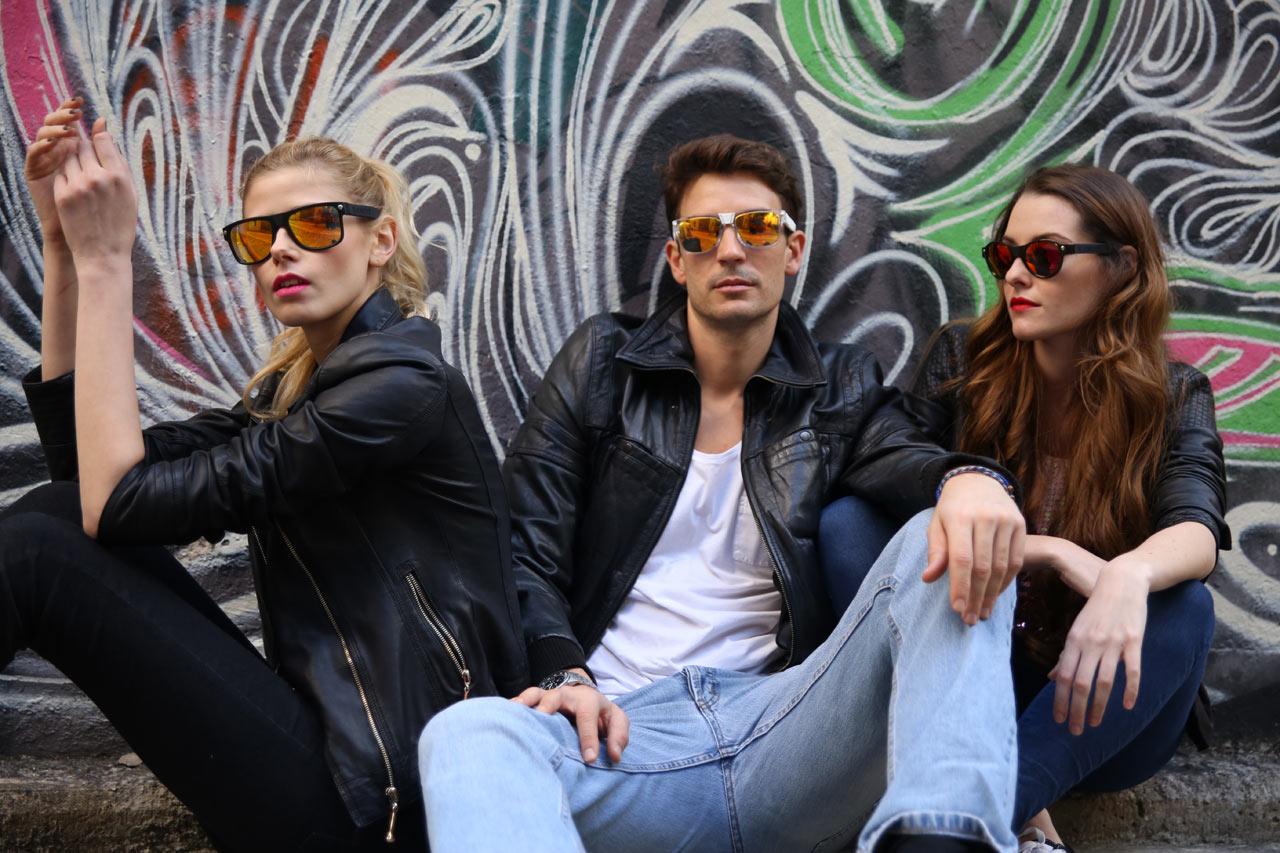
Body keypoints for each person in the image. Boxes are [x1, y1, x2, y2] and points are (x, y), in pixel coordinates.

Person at [419, 134, 1028, 852]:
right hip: (619, 735)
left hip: (783, 731)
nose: (731, 251)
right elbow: (526, 548)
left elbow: (904, 456)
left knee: (944, 533)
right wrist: (566, 674)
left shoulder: (843, 383)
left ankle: (944, 839)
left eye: (758, 228)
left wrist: (968, 479)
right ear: (677, 260)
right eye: (703, 233)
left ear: (793, 250)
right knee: (466, 731)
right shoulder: (602, 364)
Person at [0, 99, 527, 850]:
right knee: (54, 512)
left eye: (313, 224)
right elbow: (90, 481)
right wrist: (62, 250)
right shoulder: (299, 391)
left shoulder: (400, 391)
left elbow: (118, 503)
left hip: (384, 801)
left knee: (33, 554)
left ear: (380, 241)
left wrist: (108, 260)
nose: (280, 249)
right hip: (333, 756)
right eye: (260, 234)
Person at [824, 164, 1228, 852]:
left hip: (1095, 704)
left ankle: (973, 811)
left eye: (1043, 256)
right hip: (965, 673)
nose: (1014, 275)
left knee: (1185, 605)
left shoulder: (1173, 393)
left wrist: (1126, 576)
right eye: (1004, 255)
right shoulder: (965, 359)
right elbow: (884, 457)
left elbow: (1197, 524)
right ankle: (1002, 816)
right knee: (849, 526)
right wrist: (982, 493)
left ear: (1122, 268)